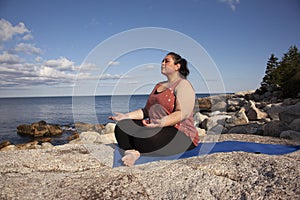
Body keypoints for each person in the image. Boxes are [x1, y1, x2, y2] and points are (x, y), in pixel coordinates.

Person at [109, 52, 199, 166]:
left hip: (180, 134)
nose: (162, 63)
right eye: (162, 61)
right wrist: (125, 116)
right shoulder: (158, 85)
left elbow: (182, 113)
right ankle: (132, 152)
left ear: (177, 66)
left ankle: (139, 145)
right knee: (122, 126)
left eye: (167, 61)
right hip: (155, 127)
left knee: (146, 136)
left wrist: (161, 123)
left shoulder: (183, 84)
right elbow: (146, 111)